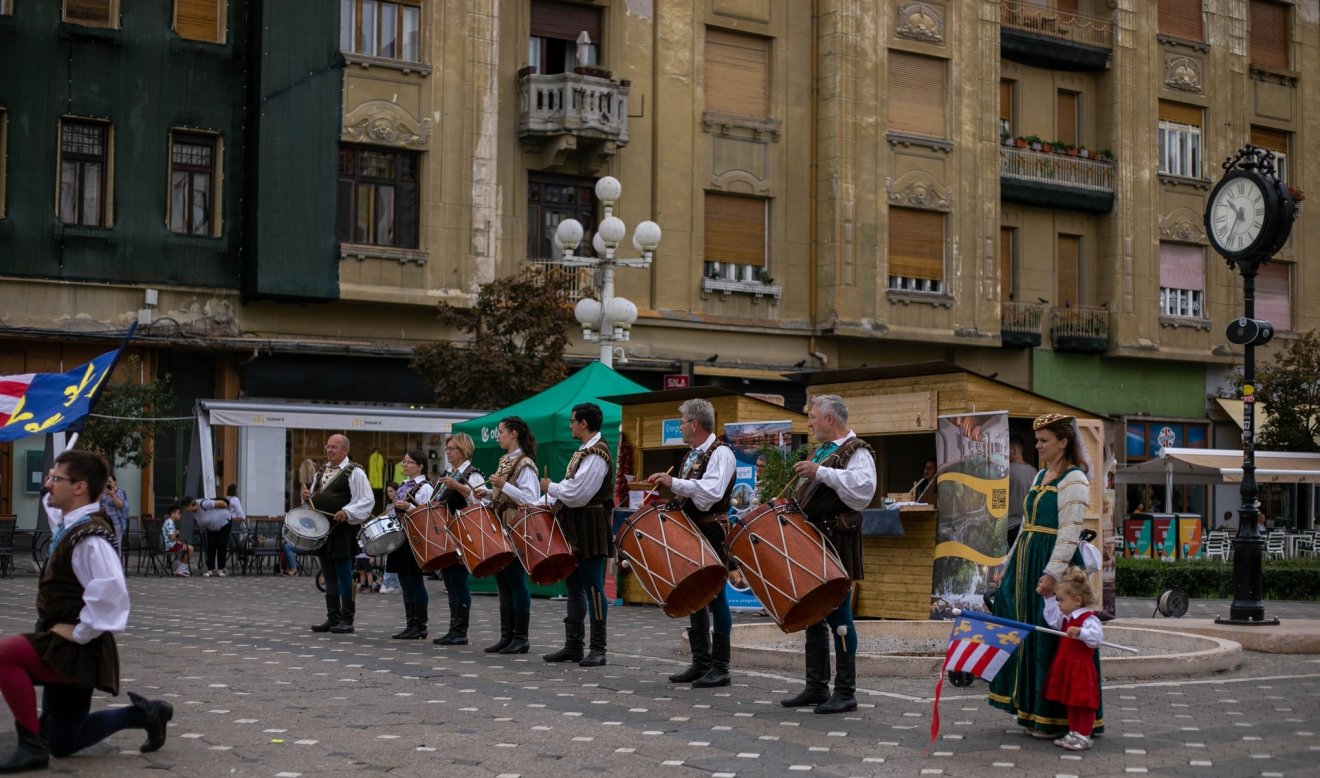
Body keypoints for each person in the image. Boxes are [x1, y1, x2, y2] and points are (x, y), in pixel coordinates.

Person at [0, 450, 173, 772]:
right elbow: (53, 507)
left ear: (79, 487)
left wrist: (80, 631)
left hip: (75, 648)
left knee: (4, 655)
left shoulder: (90, 538)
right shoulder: (72, 523)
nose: (49, 485)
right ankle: (145, 714)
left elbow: (111, 592)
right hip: (65, 644)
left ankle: (30, 746)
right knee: (63, 742)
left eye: (56, 479)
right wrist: (54, 476)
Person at [988, 412, 1103, 739]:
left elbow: (1069, 532)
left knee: (1052, 637)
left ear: (1064, 442)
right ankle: (1029, 710)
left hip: (1054, 561)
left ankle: (1055, 718)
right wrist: (1007, 565)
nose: (1037, 446)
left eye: (1044, 440)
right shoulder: (1040, 477)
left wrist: (1053, 574)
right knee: (1026, 632)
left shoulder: (1075, 479)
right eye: (1037, 440)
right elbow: (1025, 525)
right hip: (1027, 557)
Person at [781, 394, 876, 714]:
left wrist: (820, 472)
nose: (808, 422)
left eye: (812, 416)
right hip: (814, 539)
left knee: (839, 615)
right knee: (814, 613)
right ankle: (817, 686)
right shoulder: (822, 450)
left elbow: (864, 489)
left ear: (830, 419)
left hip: (837, 538)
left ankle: (846, 691)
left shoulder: (856, 449)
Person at [647, 398, 737, 688]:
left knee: (716, 596)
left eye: (682, 422)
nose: (680, 427)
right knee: (695, 594)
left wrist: (674, 484)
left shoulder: (720, 453)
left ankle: (720, 667)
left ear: (695, 424)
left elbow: (711, 492)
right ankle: (701, 662)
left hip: (712, 530)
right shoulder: (691, 455)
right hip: (692, 529)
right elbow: (690, 496)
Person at [540, 403, 614, 667]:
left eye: (572, 421)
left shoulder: (597, 453)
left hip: (590, 523)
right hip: (574, 522)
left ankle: (598, 648)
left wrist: (551, 487)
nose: (569, 425)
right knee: (573, 586)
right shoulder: (584, 451)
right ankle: (573, 646)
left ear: (584, 423)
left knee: (593, 586)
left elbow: (577, 494)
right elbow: (570, 488)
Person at [480, 416, 542, 654]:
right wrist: (486, 493)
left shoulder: (525, 464)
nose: (499, 436)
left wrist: (502, 485)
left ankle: (521, 637)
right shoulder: (505, 459)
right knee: (503, 580)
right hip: (500, 522)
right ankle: (506, 635)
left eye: (501, 431)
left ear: (514, 433)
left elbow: (530, 498)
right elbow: (502, 494)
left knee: (515, 579)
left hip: (515, 523)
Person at [303, 434, 375, 635]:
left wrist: (348, 512)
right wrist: (308, 497)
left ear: (345, 450)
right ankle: (332, 617)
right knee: (329, 575)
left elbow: (367, 500)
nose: (329, 450)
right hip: (323, 531)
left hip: (342, 531)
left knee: (344, 575)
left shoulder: (355, 472)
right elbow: (315, 501)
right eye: (328, 447)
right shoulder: (321, 472)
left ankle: (346, 619)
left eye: (334, 447)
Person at [1042, 566, 1104, 751]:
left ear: (1077, 600)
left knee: (1083, 702)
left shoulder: (1088, 618)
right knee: (1071, 700)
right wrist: (1048, 599)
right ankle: (1074, 731)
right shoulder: (1066, 617)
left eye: (1061, 600)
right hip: (1068, 666)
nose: (1059, 604)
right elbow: (1052, 620)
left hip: (1081, 668)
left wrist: (1082, 632)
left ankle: (1084, 735)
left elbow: (1096, 639)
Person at [431, 433, 483, 646]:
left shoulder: (473, 474)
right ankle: (453, 628)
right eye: (447, 448)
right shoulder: (448, 473)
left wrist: (458, 486)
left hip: (463, 534)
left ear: (463, 450)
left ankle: (460, 631)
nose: (448, 452)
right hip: (447, 534)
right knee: (450, 582)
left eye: (452, 448)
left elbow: (478, 503)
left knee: (459, 582)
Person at [386, 454, 433, 639]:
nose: (404, 465)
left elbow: (428, 516)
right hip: (400, 536)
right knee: (404, 581)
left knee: (415, 581)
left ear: (420, 466)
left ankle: (421, 625)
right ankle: (410, 623)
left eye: (409, 462)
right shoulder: (404, 485)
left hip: (415, 537)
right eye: (404, 461)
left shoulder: (426, 487)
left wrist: (408, 508)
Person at [184, 493, 234, 577]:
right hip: (211, 527)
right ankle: (210, 569)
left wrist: (227, 510)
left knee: (221, 544)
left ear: (190, 504)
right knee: (210, 546)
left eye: (185, 507)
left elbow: (221, 503)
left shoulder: (203, 504)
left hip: (224, 522)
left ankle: (221, 569)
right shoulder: (192, 511)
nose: (185, 510)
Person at [1007, 435, 1036, 549]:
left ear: (1013, 451)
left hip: (1011, 526)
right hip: (1030, 526)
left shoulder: (1007, 470)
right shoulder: (1035, 471)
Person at [98, 474, 129, 555]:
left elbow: (120, 505)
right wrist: (102, 509)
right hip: (105, 522)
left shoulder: (120, 492)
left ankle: (117, 565)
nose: (108, 483)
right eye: (106, 482)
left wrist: (112, 495)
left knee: (116, 545)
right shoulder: (103, 493)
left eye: (110, 481)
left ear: (114, 482)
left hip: (117, 522)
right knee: (105, 545)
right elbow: (98, 507)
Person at [160, 503, 193, 577]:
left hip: (167, 544)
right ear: (172, 514)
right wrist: (177, 533)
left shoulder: (168, 521)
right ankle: (181, 570)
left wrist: (177, 540)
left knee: (185, 547)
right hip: (168, 546)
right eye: (179, 514)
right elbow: (172, 537)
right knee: (190, 548)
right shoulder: (170, 523)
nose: (180, 515)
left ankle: (181, 569)